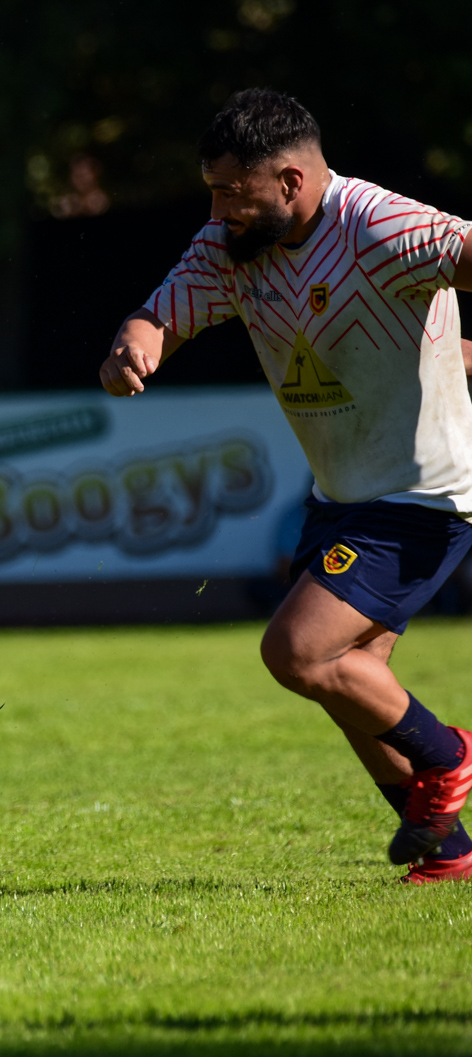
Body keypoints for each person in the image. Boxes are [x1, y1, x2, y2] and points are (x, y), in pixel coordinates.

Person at [100, 88, 472, 885]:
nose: (215, 208)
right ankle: (449, 853)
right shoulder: (230, 243)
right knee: (351, 683)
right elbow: (160, 314)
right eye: (212, 189)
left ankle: (450, 755)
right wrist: (134, 342)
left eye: (231, 191)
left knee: (297, 652)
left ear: (292, 183)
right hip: (340, 490)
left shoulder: (380, 225)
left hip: (423, 493)